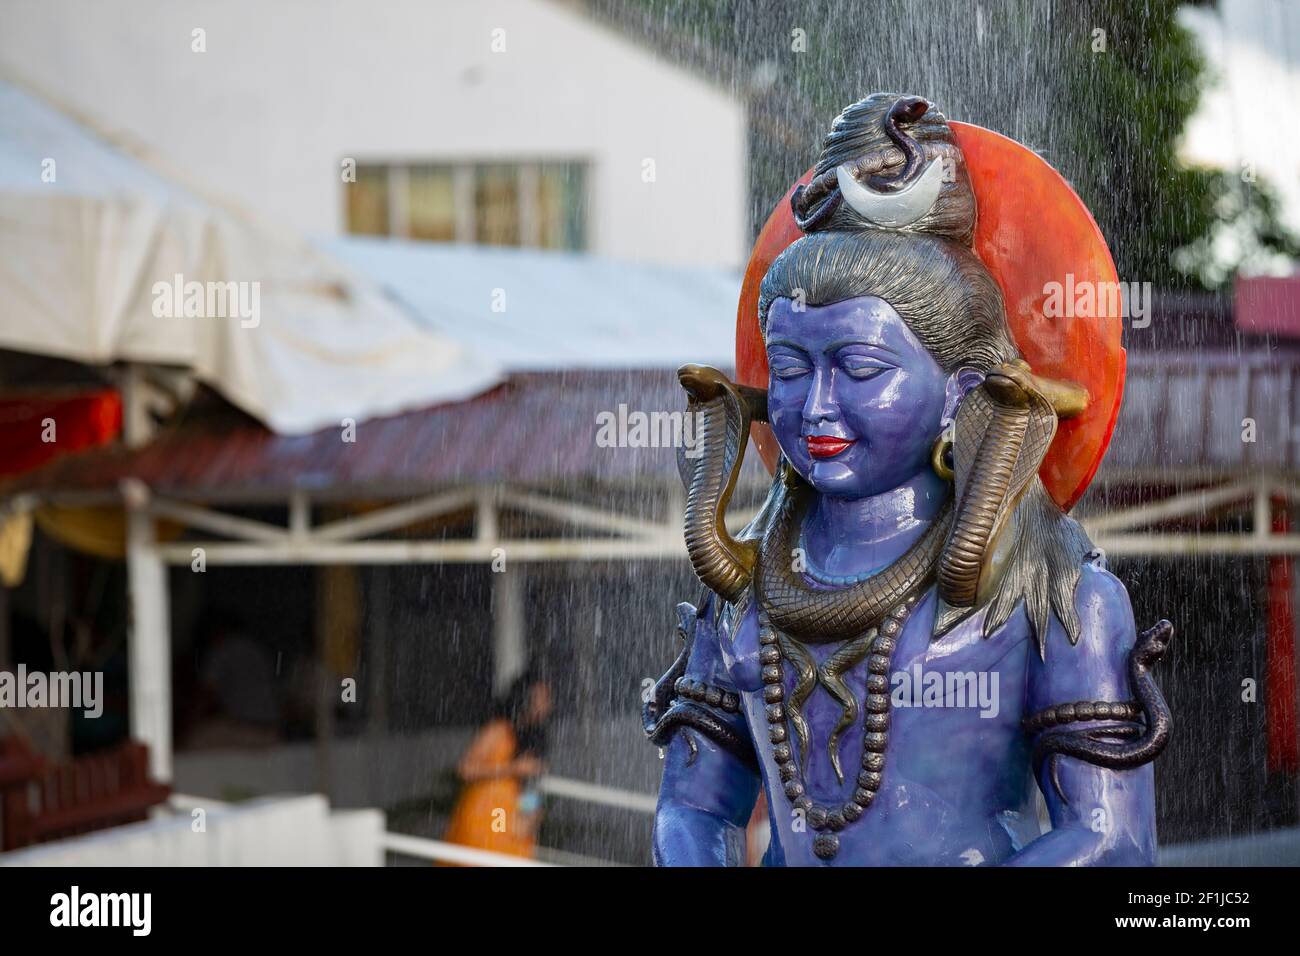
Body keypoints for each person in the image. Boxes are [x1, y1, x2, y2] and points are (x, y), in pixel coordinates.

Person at [644, 93, 1172, 865]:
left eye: (860, 368)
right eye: (790, 368)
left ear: (962, 387)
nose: (816, 407)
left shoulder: (1055, 593)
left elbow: (1109, 840)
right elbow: (692, 812)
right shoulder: (745, 593)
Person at [443, 670, 552, 860]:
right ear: (526, 699)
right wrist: (512, 768)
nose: (548, 704)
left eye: (548, 698)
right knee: (492, 854)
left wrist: (531, 816)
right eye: (541, 697)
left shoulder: (534, 739)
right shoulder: (498, 730)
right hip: (491, 811)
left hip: (512, 817)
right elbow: (465, 769)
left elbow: (531, 786)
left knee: (505, 855)